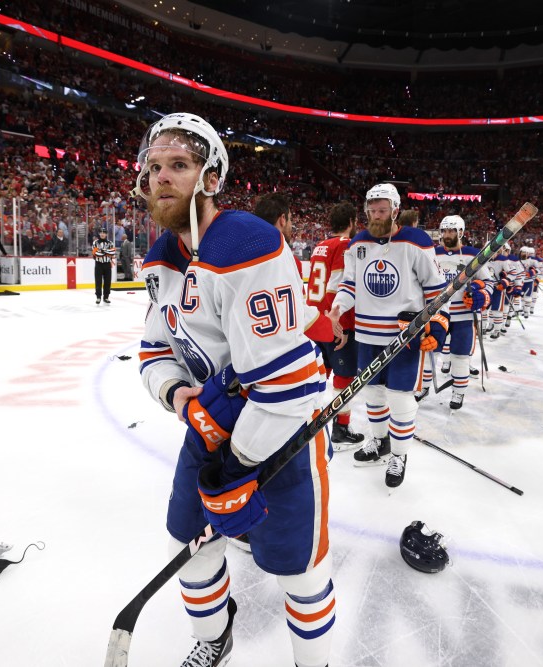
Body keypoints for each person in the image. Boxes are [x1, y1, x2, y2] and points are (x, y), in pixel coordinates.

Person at [135, 113, 334, 667]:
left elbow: (289, 388)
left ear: (211, 179)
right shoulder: (159, 258)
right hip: (209, 431)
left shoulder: (247, 242)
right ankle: (216, 635)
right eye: (155, 168)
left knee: (300, 568)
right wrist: (183, 401)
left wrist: (238, 463)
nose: (162, 178)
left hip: (283, 436)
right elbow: (153, 352)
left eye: (179, 166)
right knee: (187, 542)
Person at [327, 183, 442, 488]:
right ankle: (381, 442)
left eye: (382, 210)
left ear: (394, 210)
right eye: (371, 210)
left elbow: (435, 289)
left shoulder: (415, 241)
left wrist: (438, 325)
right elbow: (350, 284)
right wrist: (338, 307)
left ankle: (400, 454)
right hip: (367, 335)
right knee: (373, 395)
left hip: (404, 336)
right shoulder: (357, 244)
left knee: (401, 399)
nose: (376, 215)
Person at [305, 201, 365, 447]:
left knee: (317, 376)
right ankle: (341, 429)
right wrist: (336, 321)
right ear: (351, 222)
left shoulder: (319, 245)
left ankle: (308, 424)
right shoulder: (344, 246)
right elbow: (337, 286)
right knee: (345, 377)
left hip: (315, 321)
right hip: (334, 322)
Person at [433, 215, 494, 409]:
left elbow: (489, 283)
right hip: (437, 314)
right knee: (430, 353)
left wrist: (481, 295)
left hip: (463, 317)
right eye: (444, 231)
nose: (447, 235)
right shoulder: (432, 253)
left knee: (460, 357)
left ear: (461, 232)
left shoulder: (473, 255)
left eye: (451, 231)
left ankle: (458, 393)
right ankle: (423, 387)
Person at [92, 227, 115, 304]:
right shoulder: (95, 242)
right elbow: (95, 254)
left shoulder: (110, 243)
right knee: (98, 281)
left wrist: (102, 251)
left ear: (106, 234)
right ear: (99, 233)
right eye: (101, 232)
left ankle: (106, 297)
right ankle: (98, 297)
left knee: (107, 281)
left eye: (104, 233)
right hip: (98, 264)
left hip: (107, 264)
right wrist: (106, 252)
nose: (102, 234)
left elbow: (112, 253)